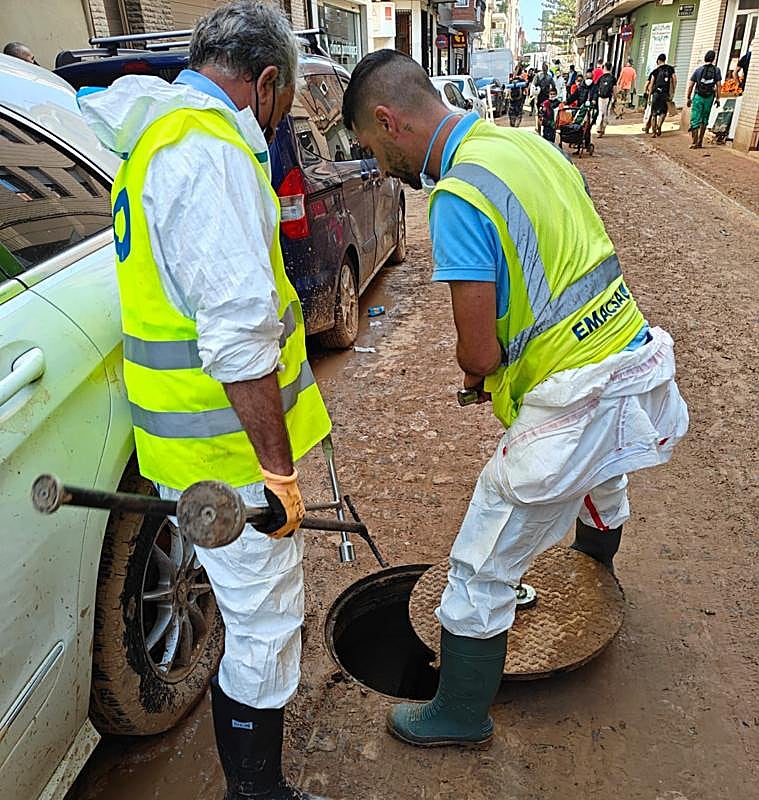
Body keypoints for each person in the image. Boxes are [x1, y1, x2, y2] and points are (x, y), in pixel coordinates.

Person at [342, 48, 688, 749]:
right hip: (631, 353)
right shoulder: (526, 147)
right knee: (603, 479)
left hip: (574, 392)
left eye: (372, 147)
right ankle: (594, 572)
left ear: (388, 120)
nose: (379, 164)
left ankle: (460, 714)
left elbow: (478, 353)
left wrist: (476, 377)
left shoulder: (458, 195)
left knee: (481, 563)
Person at [78, 3, 333, 799]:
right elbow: (240, 336)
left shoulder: (155, 138)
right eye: (283, 102)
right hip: (229, 460)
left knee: (245, 618)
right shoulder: (208, 152)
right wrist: (278, 476)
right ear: (266, 82)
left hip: (184, 449)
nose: (278, 119)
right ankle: (258, 793)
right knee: (264, 633)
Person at [687, 50, 722, 149]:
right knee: (704, 119)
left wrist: (688, 98)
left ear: (705, 58)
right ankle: (700, 141)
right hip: (709, 97)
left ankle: (694, 142)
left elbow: (691, 85)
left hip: (698, 97)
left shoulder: (698, 70)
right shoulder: (717, 70)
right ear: (713, 59)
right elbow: (719, 85)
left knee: (695, 119)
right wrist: (718, 98)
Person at [646, 53, 676, 137]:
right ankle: (659, 126)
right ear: (664, 60)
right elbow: (674, 79)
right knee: (663, 112)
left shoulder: (655, 71)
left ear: (658, 61)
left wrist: (649, 96)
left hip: (656, 93)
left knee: (654, 113)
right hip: (665, 94)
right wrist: (673, 90)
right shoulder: (670, 69)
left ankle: (654, 132)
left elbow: (651, 84)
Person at [577, 68, 599, 150]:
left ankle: (587, 144)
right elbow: (575, 95)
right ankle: (578, 143)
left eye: (590, 77)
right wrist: (566, 102)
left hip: (590, 110)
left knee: (587, 128)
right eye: (587, 77)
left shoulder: (595, 87)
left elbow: (596, 95)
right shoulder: (581, 87)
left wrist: (594, 100)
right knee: (579, 126)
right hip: (581, 109)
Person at [532, 63, 555, 131]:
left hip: (542, 96)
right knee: (544, 113)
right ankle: (540, 127)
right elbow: (553, 86)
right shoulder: (548, 77)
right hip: (543, 96)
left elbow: (533, 85)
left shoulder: (538, 76)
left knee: (541, 113)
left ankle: (540, 128)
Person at [595, 62, 617, 136]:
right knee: (606, 113)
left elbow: (597, 88)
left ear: (604, 68)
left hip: (600, 97)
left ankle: (598, 128)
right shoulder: (613, 78)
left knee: (600, 112)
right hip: (608, 97)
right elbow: (614, 89)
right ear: (611, 68)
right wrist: (615, 98)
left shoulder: (601, 77)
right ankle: (603, 129)